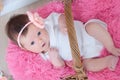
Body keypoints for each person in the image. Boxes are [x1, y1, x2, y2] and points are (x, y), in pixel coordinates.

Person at [5, 11, 120, 72]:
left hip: (86, 33)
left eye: (39, 33)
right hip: (86, 54)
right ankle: (107, 61)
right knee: (85, 66)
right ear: (26, 49)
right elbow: (60, 68)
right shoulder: (45, 55)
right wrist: (56, 60)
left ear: (39, 25)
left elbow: (61, 16)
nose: (39, 40)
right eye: (32, 43)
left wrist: (62, 24)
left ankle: (111, 47)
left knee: (92, 26)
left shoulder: (48, 23)